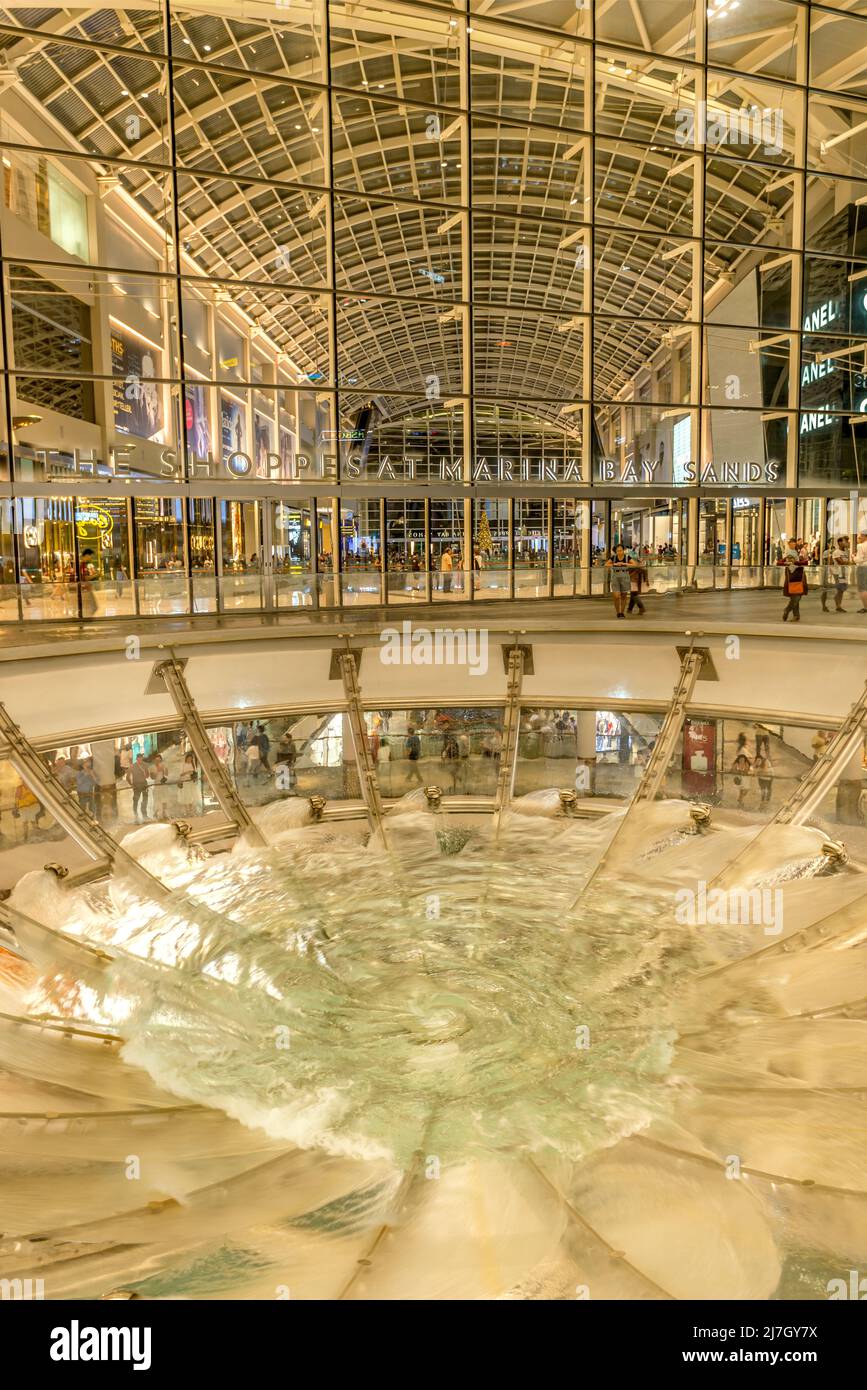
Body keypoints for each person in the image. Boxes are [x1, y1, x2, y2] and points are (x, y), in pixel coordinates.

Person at [781, 548, 808, 622]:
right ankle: (795, 615)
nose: (790, 559)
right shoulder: (787, 566)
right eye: (788, 557)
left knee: (796, 599)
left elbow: (806, 562)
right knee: (795, 599)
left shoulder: (799, 563)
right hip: (791, 585)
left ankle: (788, 611)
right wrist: (785, 560)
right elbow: (779, 562)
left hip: (800, 583)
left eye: (791, 557)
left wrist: (796, 562)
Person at [606, 543, 631, 618]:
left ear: (623, 550)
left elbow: (634, 564)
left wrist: (624, 563)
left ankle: (621, 612)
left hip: (625, 576)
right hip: (615, 577)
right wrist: (615, 564)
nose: (619, 552)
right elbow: (606, 564)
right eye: (618, 551)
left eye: (620, 550)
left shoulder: (627, 557)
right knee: (616, 596)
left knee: (624, 595)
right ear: (616, 551)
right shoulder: (613, 557)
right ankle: (617, 611)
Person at [129, 753, 151, 821]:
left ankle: (144, 815)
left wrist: (145, 773)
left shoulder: (145, 765)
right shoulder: (133, 766)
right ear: (137, 759)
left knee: (145, 800)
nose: (140, 759)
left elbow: (147, 775)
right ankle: (136, 815)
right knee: (136, 800)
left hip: (144, 784)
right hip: (136, 785)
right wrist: (131, 784)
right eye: (139, 758)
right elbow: (127, 777)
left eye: (141, 758)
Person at [149, 754, 170, 819]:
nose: (158, 761)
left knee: (164, 797)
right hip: (157, 784)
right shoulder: (152, 767)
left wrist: (164, 769)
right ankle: (156, 812)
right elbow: (152, 777)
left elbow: (167, 774)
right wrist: (157, 771)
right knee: (157, 798)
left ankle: (165, 812)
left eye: (159, 760)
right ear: (154, 760)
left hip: (163, 783)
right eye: (156, 760)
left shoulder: (164, 765)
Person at [856, 531, 867, 613]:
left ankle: (866, 607)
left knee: (862, 588)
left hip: (863, 567)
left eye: (860, 537)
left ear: (864, 536)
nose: (859, 539)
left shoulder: (861, 546)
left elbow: (859, 559)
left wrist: (853, 557)